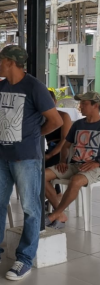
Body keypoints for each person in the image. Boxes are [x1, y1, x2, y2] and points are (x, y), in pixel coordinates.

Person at [0, 45, 62, 281]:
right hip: (2, 155)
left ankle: (25, 258)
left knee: (31, 208)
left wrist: (34, 136)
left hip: (27, 157)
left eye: (0, 60)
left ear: (11, 62)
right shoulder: (1, 87)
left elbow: (56, 120)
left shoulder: (34, 87)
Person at [44, 92, 100, 229]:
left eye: (84, 104)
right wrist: (63, 160)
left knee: (76, 181)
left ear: (96, 105)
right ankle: (60, 214)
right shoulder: (79, 124)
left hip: (94, 167)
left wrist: (97, 163)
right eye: (80, 103)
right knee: (40, 175)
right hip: (74, 164)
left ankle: (54, 215)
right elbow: (66, 145)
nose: (80, 106)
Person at [44, 89, 72, 168]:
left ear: (55, 101)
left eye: (50, 101)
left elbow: (65, 140)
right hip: (49, 149)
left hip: (61, 151)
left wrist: (49, 155)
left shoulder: (63, 116)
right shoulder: (41, 118)